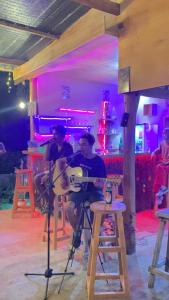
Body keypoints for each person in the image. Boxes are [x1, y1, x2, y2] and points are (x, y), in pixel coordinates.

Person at [60, 133, 107, 261]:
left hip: (93, 191)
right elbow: (61, 162)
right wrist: (64, 178)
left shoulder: (98, 161)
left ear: (91, 145)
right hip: (78, 191)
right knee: (68, 207)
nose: (81, 147)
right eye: (80, 144)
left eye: (84, 144)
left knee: (102, 209)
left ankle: (95, 236)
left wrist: (99, 183)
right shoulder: (77, 157)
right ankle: (77, 231)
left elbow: (102, 182)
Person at [34, 125, 73, 213]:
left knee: (50, 181)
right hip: (53, 170)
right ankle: (49, 203)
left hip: (63, 172)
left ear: (62, 135)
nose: (53, 136)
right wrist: (48, 145)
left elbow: (65, 164)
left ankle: (49, 205)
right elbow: (47, 159)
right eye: (53, 134)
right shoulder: (53, 146)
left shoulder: (68, 147)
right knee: (37, 178)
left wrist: (49, 175)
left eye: (56, 134)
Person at [152, 128, 169, 205]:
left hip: (167, 164)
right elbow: (158, 149)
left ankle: (163, 187)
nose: (165, 135)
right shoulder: (162, 143)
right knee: (159, 167)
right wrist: (153, 152)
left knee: (163, 168)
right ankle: (161, 188)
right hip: (164, 163)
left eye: (166, 133)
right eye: (164, 133)